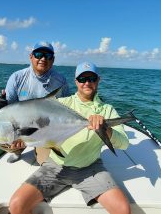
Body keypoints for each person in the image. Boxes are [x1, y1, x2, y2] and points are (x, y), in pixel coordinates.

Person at [8, 62, 131, 214]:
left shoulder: (107, 110)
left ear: (98, 80)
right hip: (55, 166)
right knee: (16, 205)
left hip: (90, 168)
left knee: (123, 210)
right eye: (82, 78)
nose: (87, 82)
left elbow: (124, 144)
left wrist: (106, 130)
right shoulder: (60, 103)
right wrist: (21, 139)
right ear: (76, 82)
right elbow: (36, 126)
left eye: (91, 78)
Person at [0, 41, 70, 163]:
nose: (43, 58)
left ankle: (43, 147)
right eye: (39, 54)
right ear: (31, 56)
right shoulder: (17, 77)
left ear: (53, 59)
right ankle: (16, 150)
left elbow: (68, 106)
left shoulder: (60, 80)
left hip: (48, 128)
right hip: (21, 126)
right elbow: (7, 112)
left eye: (48, 55)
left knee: (45, 162)